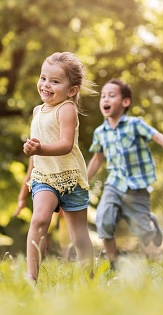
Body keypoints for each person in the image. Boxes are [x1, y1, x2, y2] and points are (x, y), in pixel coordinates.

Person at [87, 78, 163, 269]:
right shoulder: (100, 132)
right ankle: (114, 263)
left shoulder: (135, 124)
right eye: (103, 96)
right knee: (104, 220)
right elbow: (97, 159)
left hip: (137, 186)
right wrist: (83, 182)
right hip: (114, 184)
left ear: (125, 102)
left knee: (144, 233)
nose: (106, 99)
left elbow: (158, 136)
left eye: (111, 95)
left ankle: (154, 251)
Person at [20, 52, 95, 283]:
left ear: (72, 90)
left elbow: (65, 144)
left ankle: (90, 280)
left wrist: (39, 149)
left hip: (71, 178)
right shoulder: (36, 111)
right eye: (43, 78)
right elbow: (36, 154)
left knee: (79, 236)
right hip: (44, 177)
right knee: (40, 219)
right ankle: (31, 277)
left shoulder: (66, 109)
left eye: (55, 81)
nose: (45, 85)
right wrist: (28, 178)